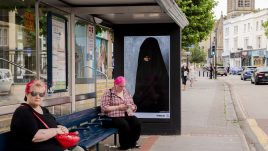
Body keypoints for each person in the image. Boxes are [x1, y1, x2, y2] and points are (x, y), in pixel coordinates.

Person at [10, 80, 83, 151]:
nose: (38, 96)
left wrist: (62, 128)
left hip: (55, 146)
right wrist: (56, 130)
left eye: (41, 94)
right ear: (26, 94)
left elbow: (54, 123)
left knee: (79, 149)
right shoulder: (23, 111)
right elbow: (35, 137)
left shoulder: (44, 109)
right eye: (34, 93)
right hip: (36, 148)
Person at [101, 76, 141, 150]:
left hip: (126, 114)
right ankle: (125, 146)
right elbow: (104, 108)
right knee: (124, 125)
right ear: (115, 85)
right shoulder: (108, 93)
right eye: (120, 86)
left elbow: (133, 104)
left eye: (124, 86)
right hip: (113, 116)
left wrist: (132, 107)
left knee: (137, 123)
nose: (122, 88)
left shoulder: (125, 92)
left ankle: (132, 142)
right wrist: (118, 107)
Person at [133, 37, 169, 112]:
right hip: (155, 103)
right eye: (145, 57)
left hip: (150, 103)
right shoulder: (159, 67)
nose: (147, 59)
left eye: (148, 57)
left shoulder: (145, 66)